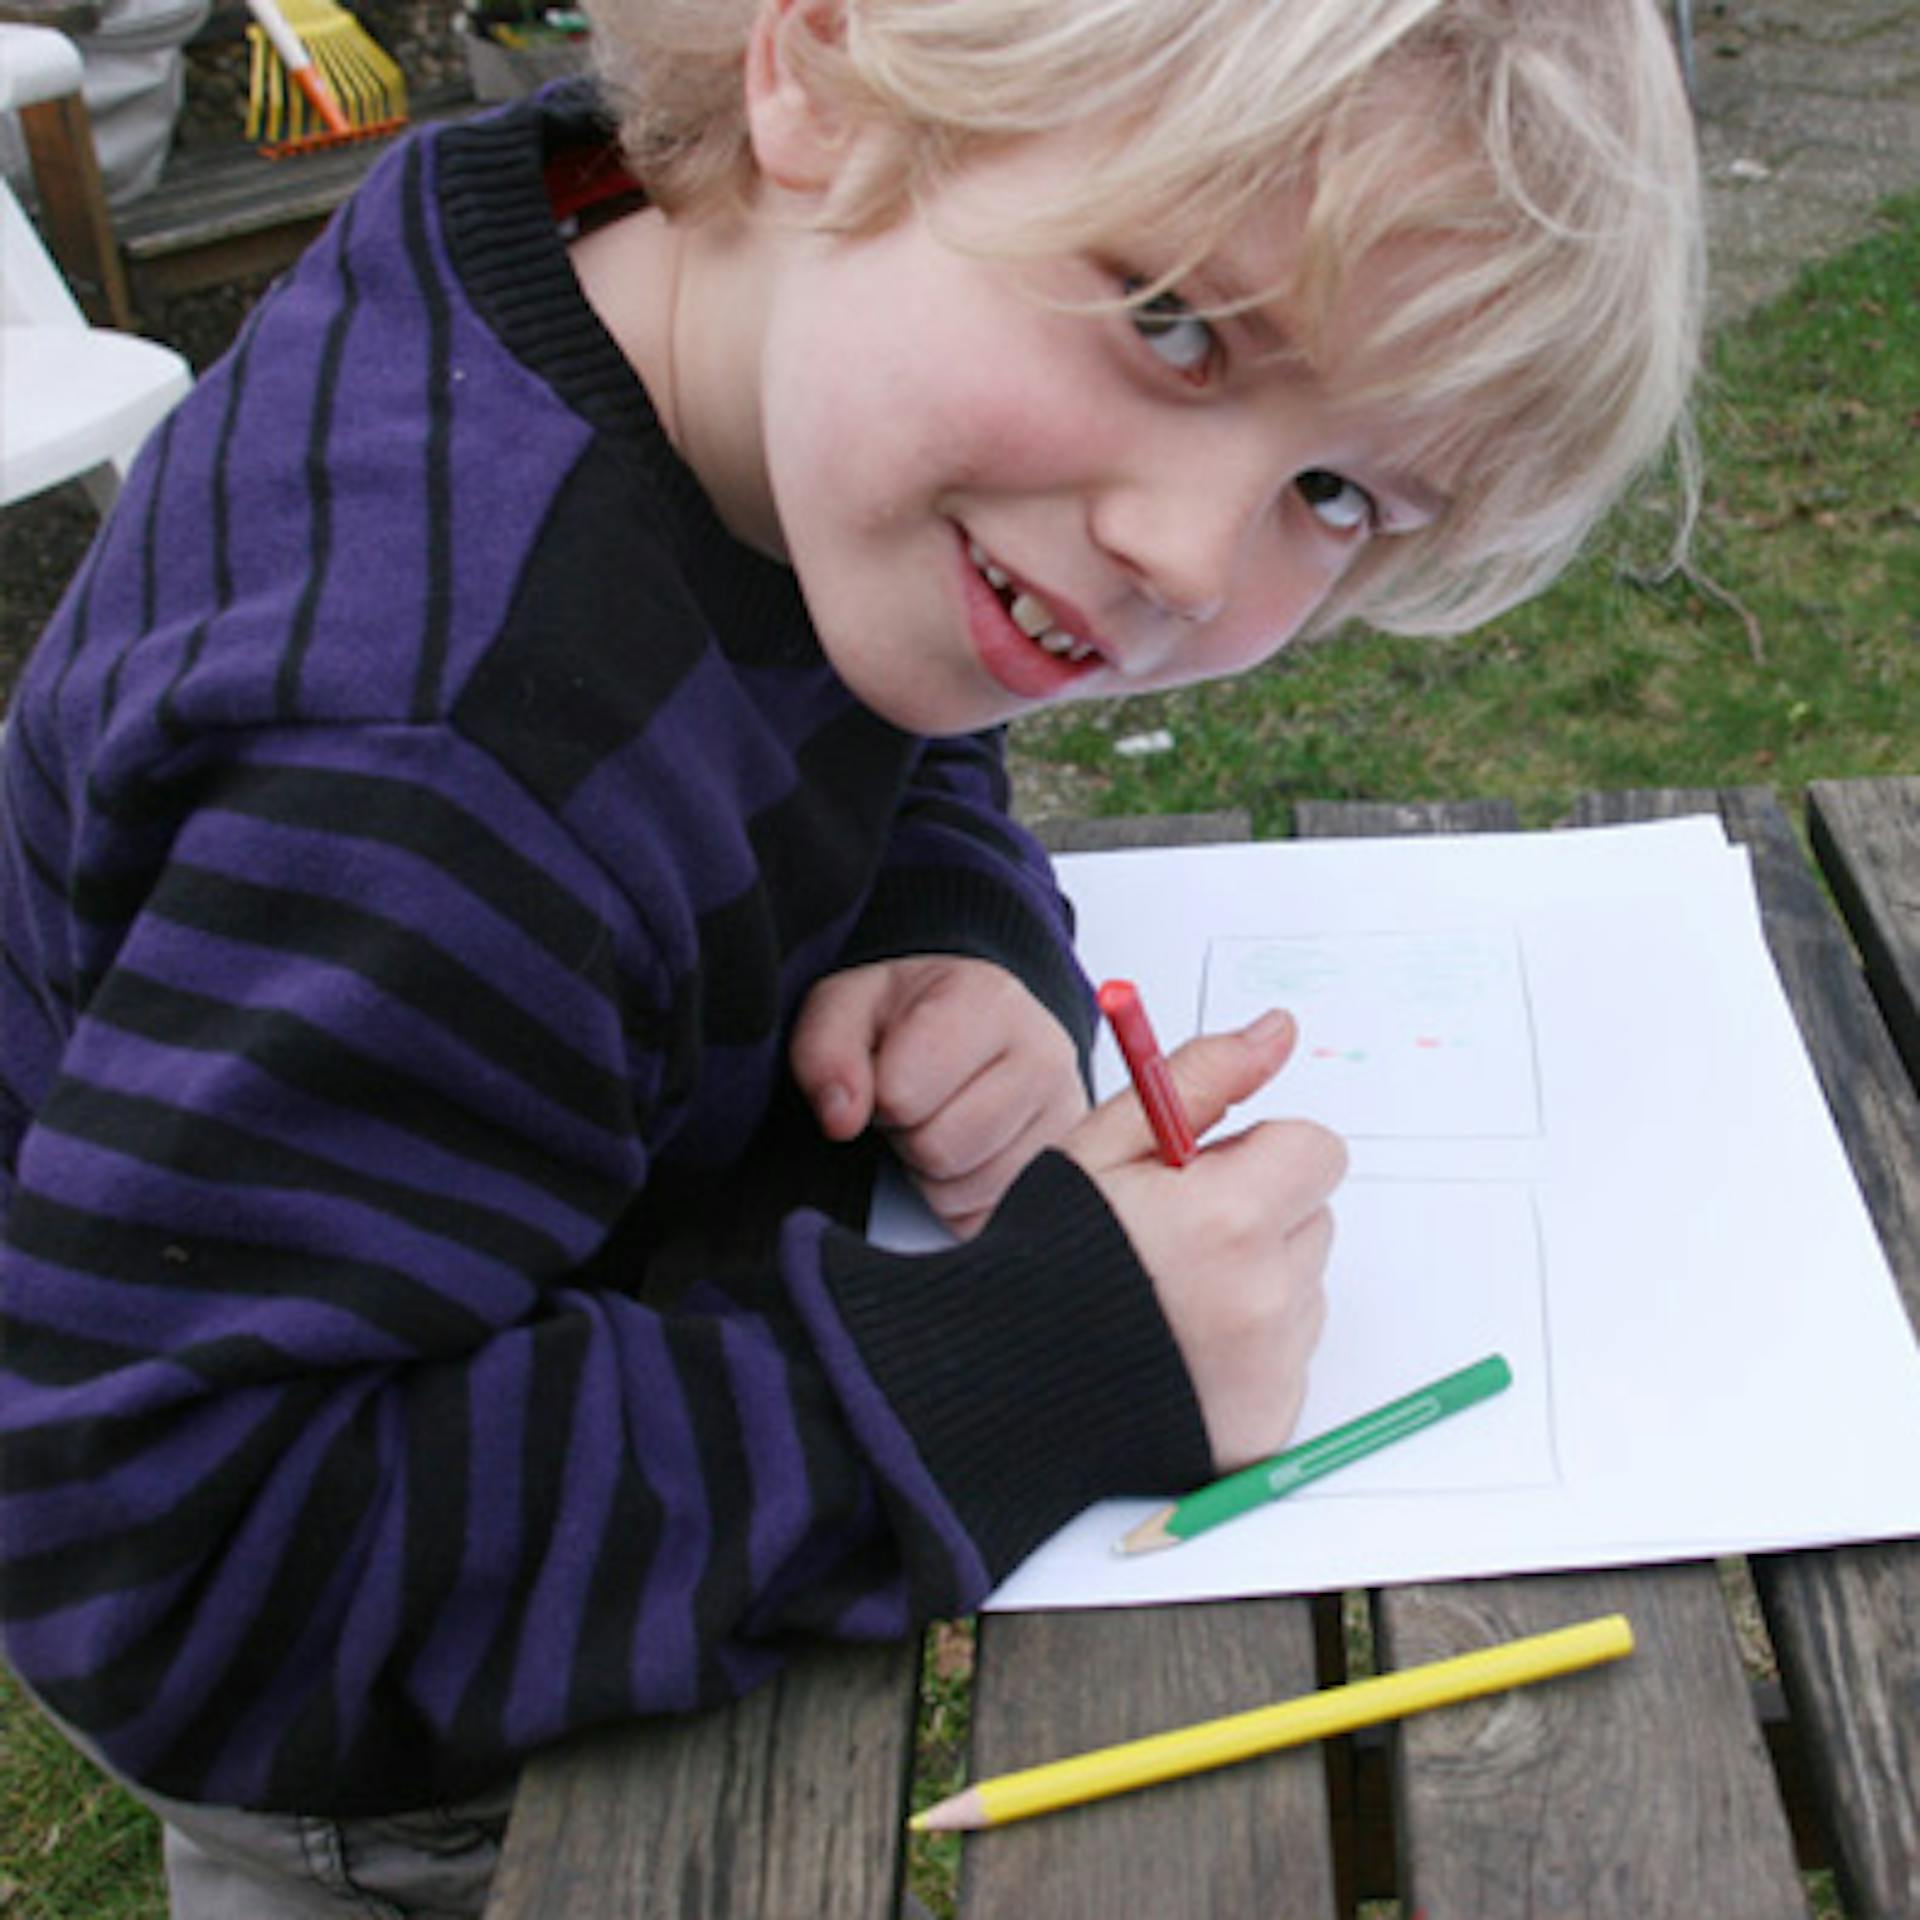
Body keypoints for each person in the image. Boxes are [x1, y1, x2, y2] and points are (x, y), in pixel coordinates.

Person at [0, 0, 1702, 1910]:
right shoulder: (445, 759)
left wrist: (937, 920)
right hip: (401, 1751)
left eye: (1337, 497)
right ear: (816, 73)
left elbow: (848, 709)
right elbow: (183, 1576)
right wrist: (1040, 1364)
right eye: (1170, 320)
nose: (1193, 562)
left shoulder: (682, 313)